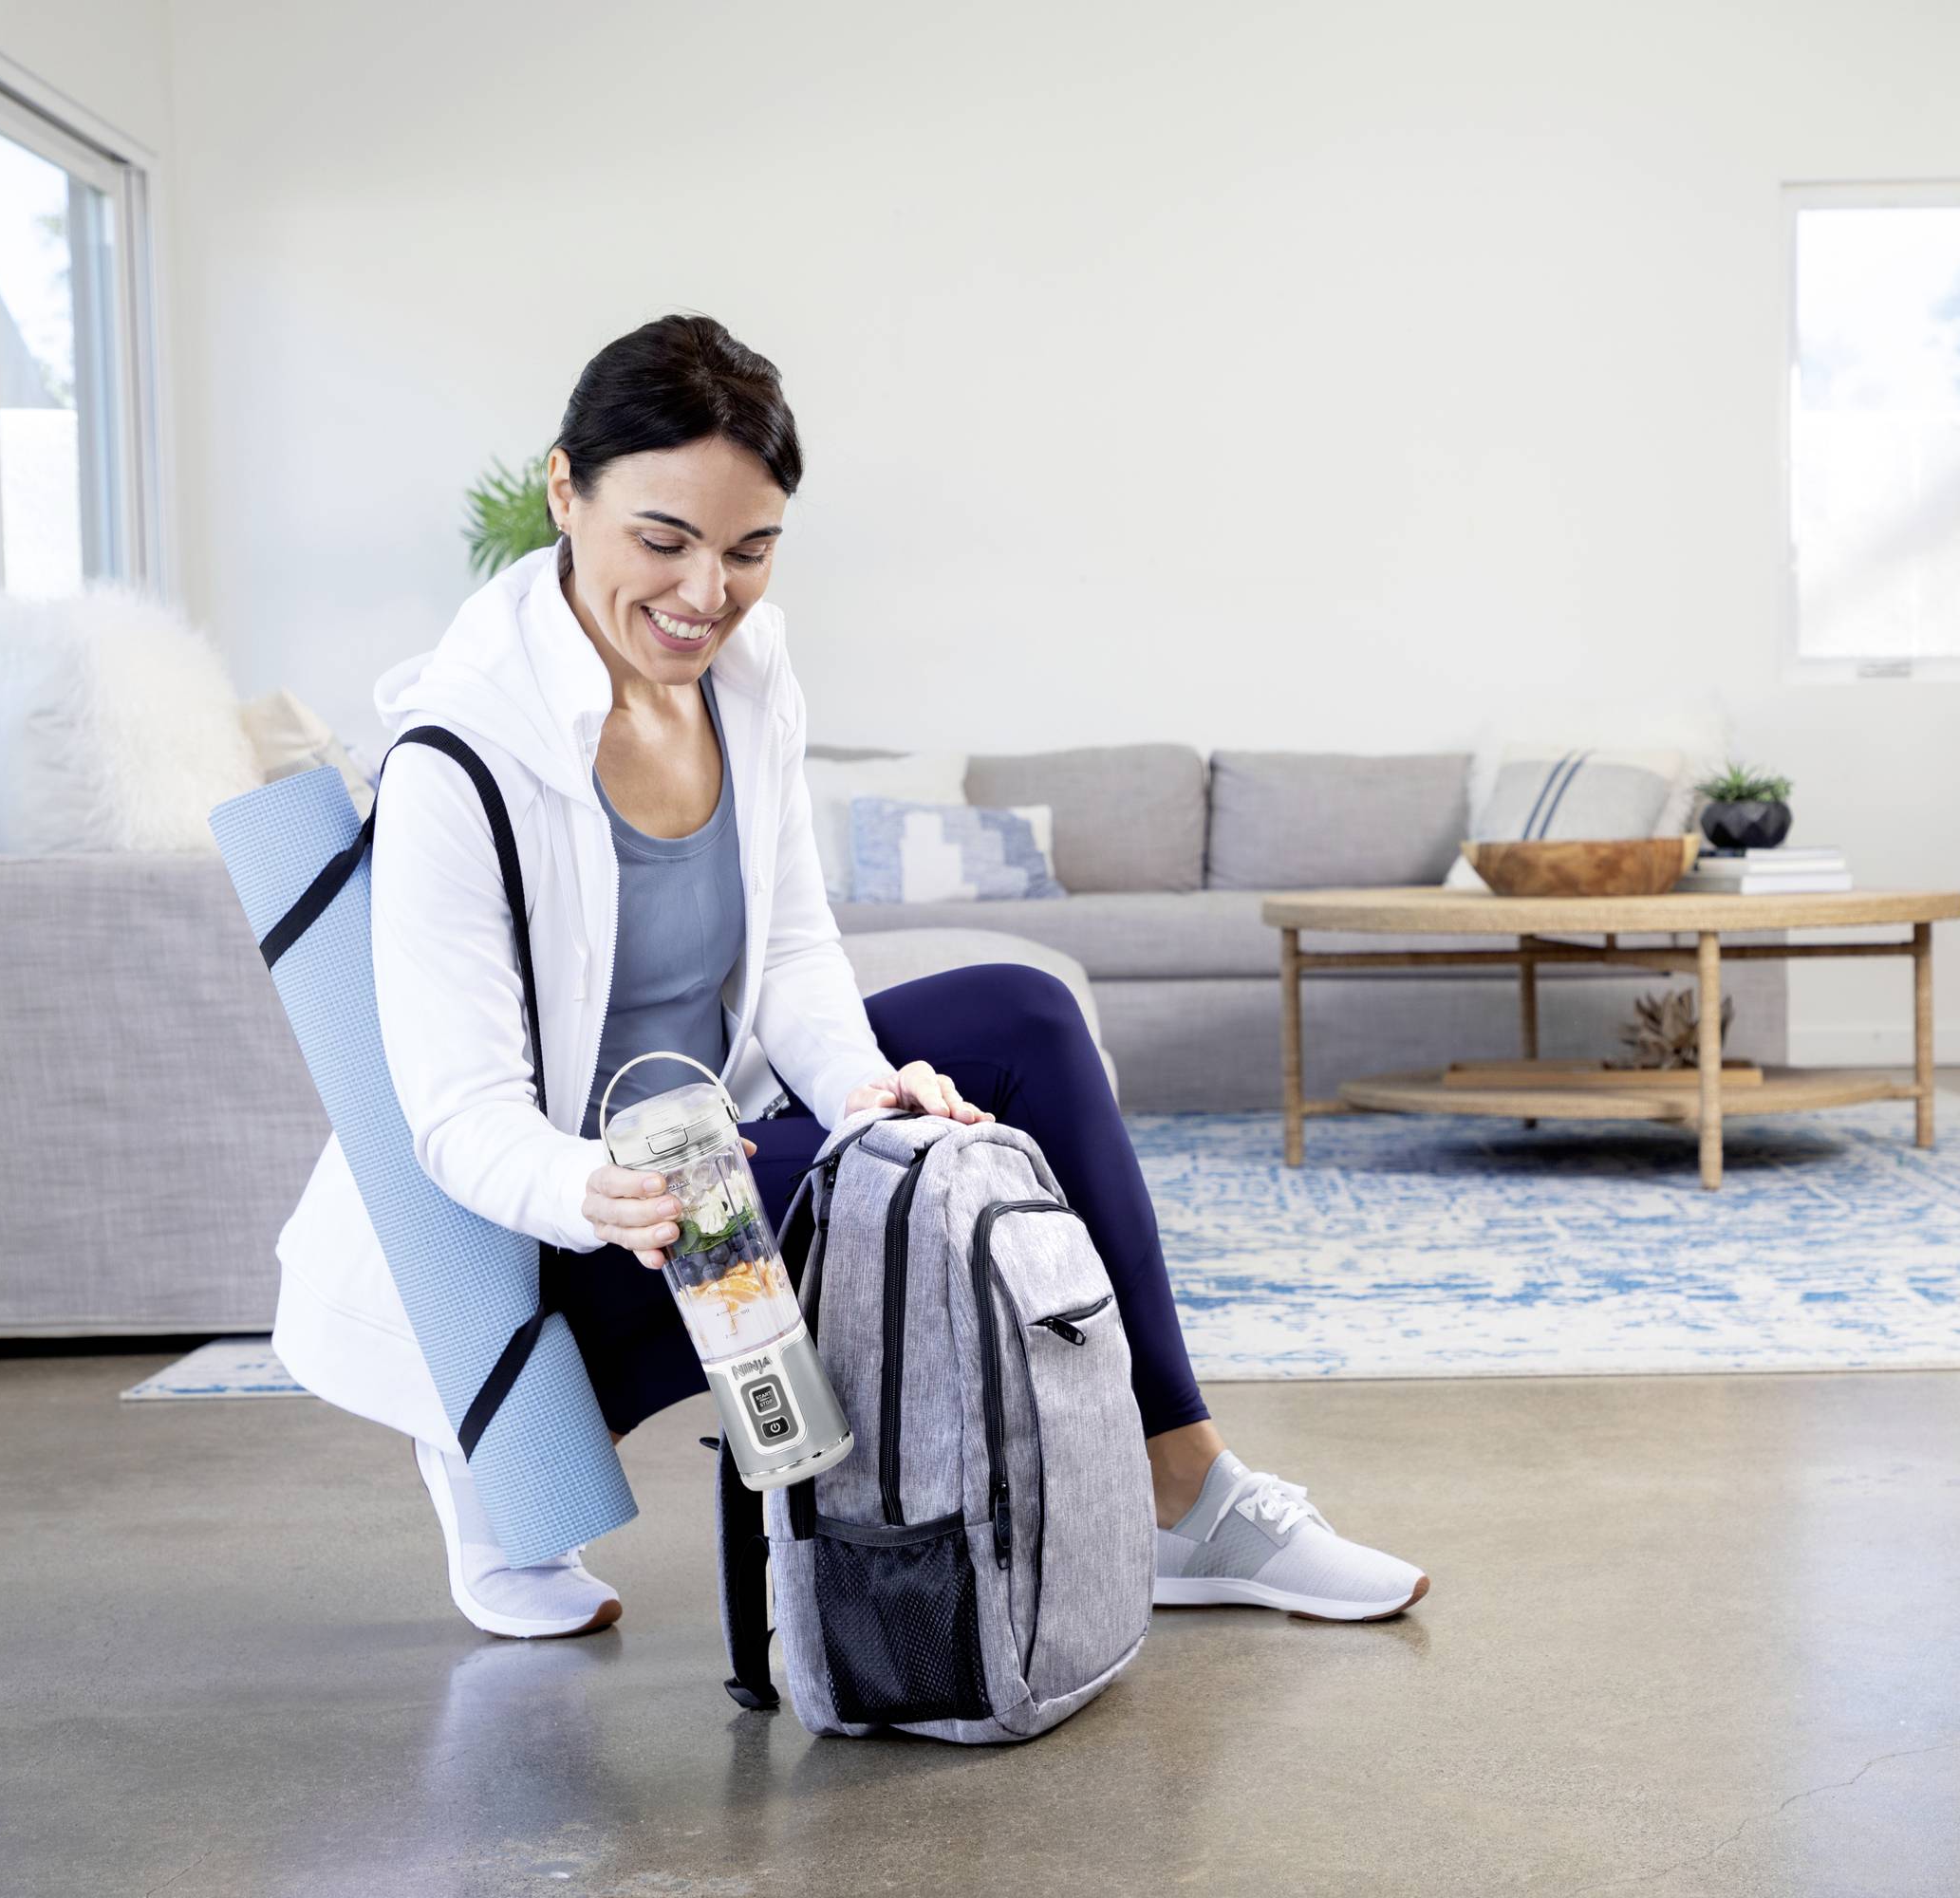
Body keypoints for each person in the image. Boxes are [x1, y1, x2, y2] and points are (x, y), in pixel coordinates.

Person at [271, 313, 1427, 1640]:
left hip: (711, 1141)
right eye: (664, 540)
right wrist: (597, 1190)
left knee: (1019, 1024)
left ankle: (1189, 1498)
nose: (708, 591)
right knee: (841, 1192)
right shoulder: (458, 758)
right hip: (563, 1227)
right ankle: (540, 1457)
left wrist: (865, 1088)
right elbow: (455, 1115)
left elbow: (796, 954)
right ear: (563, 492)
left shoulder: (745, 677)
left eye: (749, 549)